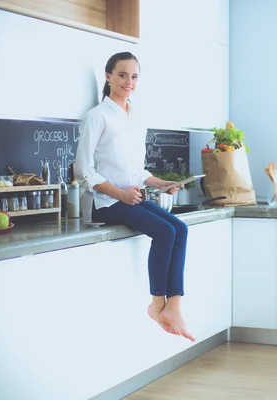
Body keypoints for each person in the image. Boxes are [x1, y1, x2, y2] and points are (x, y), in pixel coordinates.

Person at [74, 52, 195, 342]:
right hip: (107, 204)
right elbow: (84, 170)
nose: (129, 82)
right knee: (165, 232)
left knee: (181, 228)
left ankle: (174, 304)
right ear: (108, 77)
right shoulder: (97, 117)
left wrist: (161, 182)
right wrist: (120, 194)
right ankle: (157, 305)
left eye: (134, 76)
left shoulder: (135, 117)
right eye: (122, 75)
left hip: (131, 199)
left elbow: (137, 171)